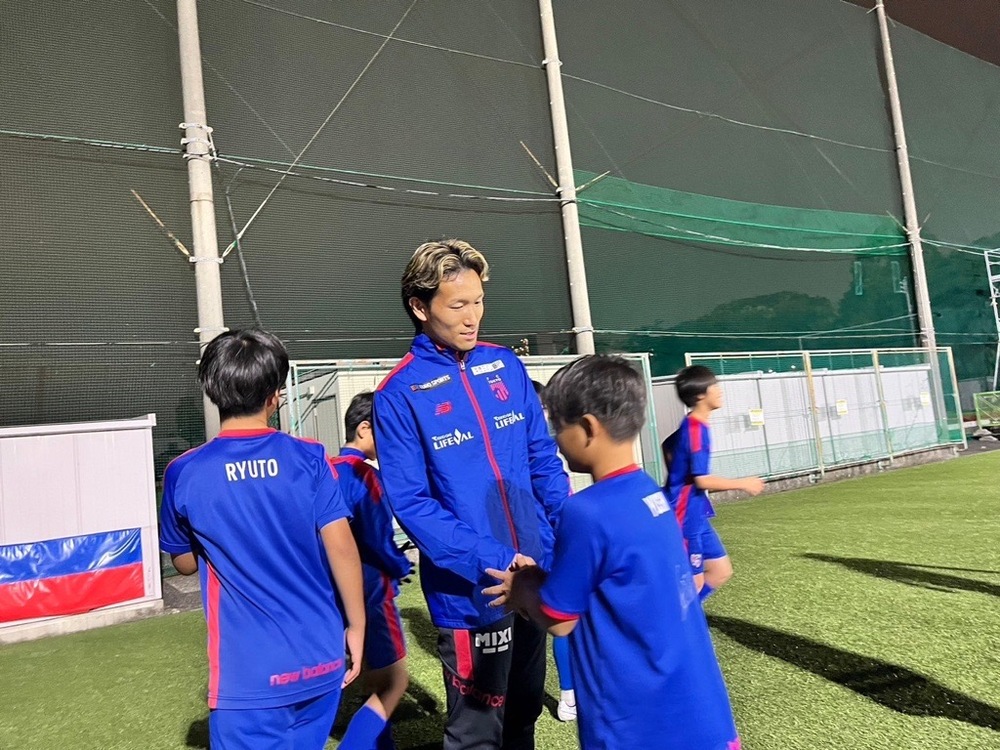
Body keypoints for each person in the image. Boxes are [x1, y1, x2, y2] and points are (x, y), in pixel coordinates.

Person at [484, 355, 742, 750]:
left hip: (637, 723)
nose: (555, 439)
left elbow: (559, 620)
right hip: (700, 712)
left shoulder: (587, 511)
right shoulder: (650, 493)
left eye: (558, 426)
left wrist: (522, 586)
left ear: (588, 428)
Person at [373, 239, 569, 750]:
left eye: (478, 301)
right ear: (420, 307)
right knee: (476, 733)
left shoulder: (505, 365)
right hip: (473, 593)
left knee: (524, 712)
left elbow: (542, 458)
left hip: (535, 573)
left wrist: (564, 531)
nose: (472, 316)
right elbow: (412, 504)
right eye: (458, 304)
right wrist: (497, 559)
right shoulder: (399, 393)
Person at [159, 329, 366, 749]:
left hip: (248, 678)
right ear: (275, 395)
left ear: (212, 390)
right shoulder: (310, 456)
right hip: (320, 658)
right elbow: (342, 548)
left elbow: (183, 562)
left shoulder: (185, 471)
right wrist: (358, 626)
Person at [332, 391, 412, 750]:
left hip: (332, 593)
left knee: (368, 675)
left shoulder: (324, 470)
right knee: (394, 682)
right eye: (387, 431)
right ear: (364, 429)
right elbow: (377, 538)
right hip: (371, 591)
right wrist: (400, 564)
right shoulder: (365, 475)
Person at [663, 365, 764, 601]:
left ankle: (688, 618)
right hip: (684, 515)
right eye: (714, 386)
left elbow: (667, 445)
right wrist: (743, 483)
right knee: (694, 583)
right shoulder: (695, 429)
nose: (720, 391)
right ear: (700, 395)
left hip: (697, 513)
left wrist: (677, 476)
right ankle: (676, 621)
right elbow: (702, 480)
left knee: (720, 572)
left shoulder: (694, 424)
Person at [531, 379, 575, 723]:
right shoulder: (536, 450)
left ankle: (569, 695)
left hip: (538, 543)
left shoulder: (539, 449)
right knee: (563, 620)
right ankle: (569, 695)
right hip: (544, 545)